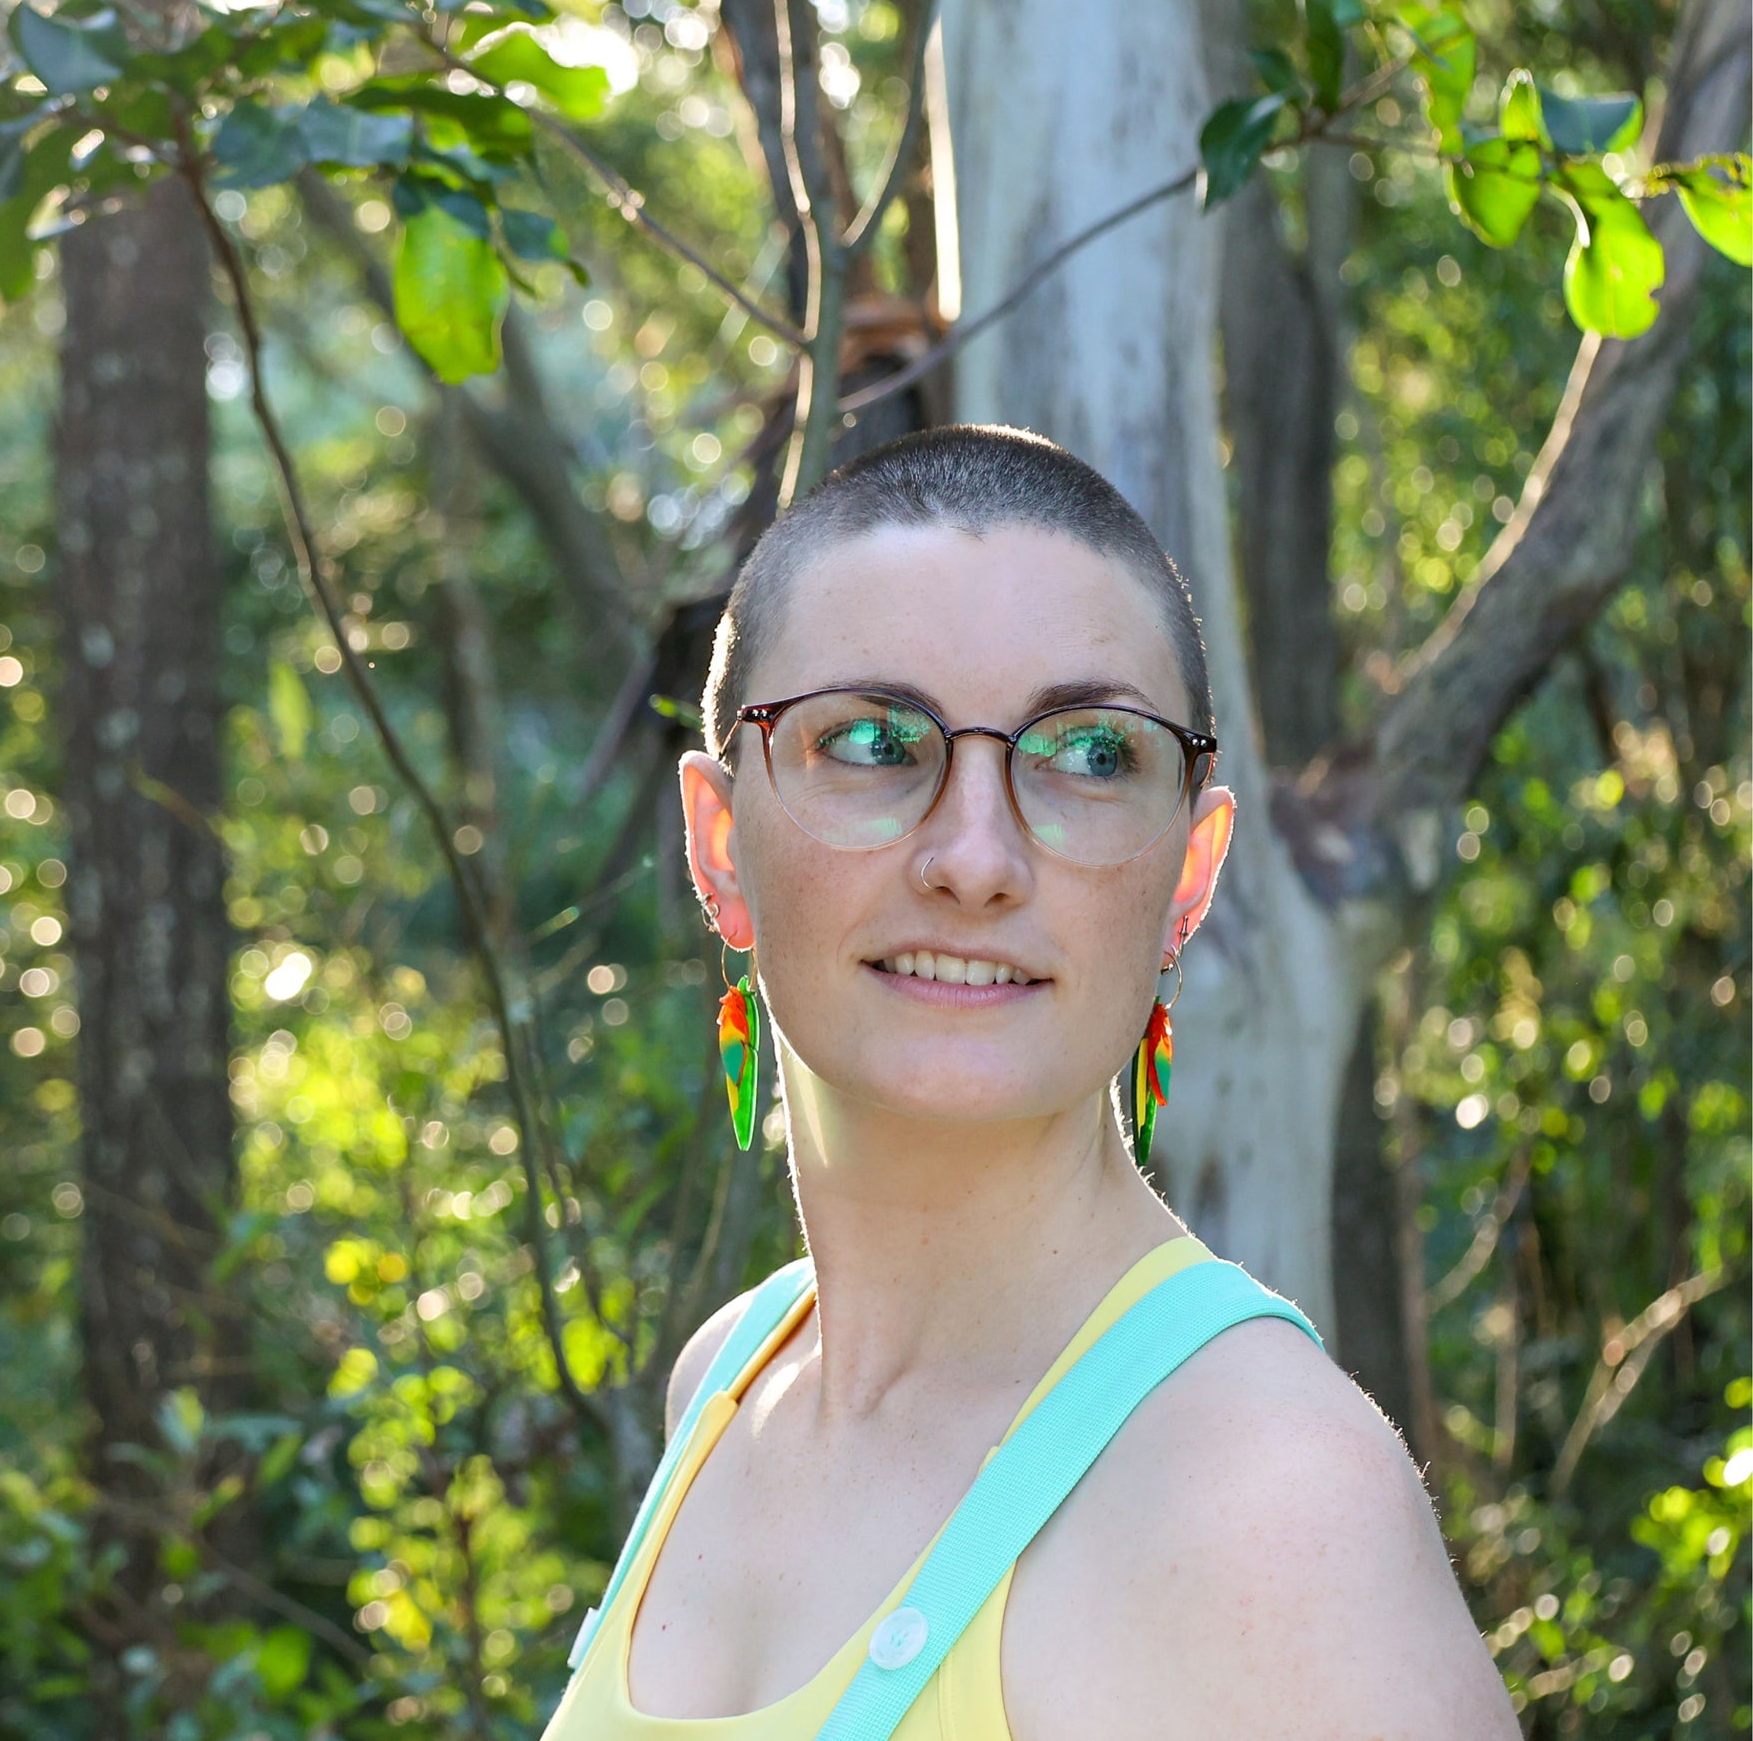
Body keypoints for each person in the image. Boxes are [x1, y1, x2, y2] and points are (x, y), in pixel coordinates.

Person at [543, 425, 1518, 1740]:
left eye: (1088, 754)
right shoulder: (725, 1380)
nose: (974, 855)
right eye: (875, 740)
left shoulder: (1266, 1500)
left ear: (1188, 870)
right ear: (719, 841)